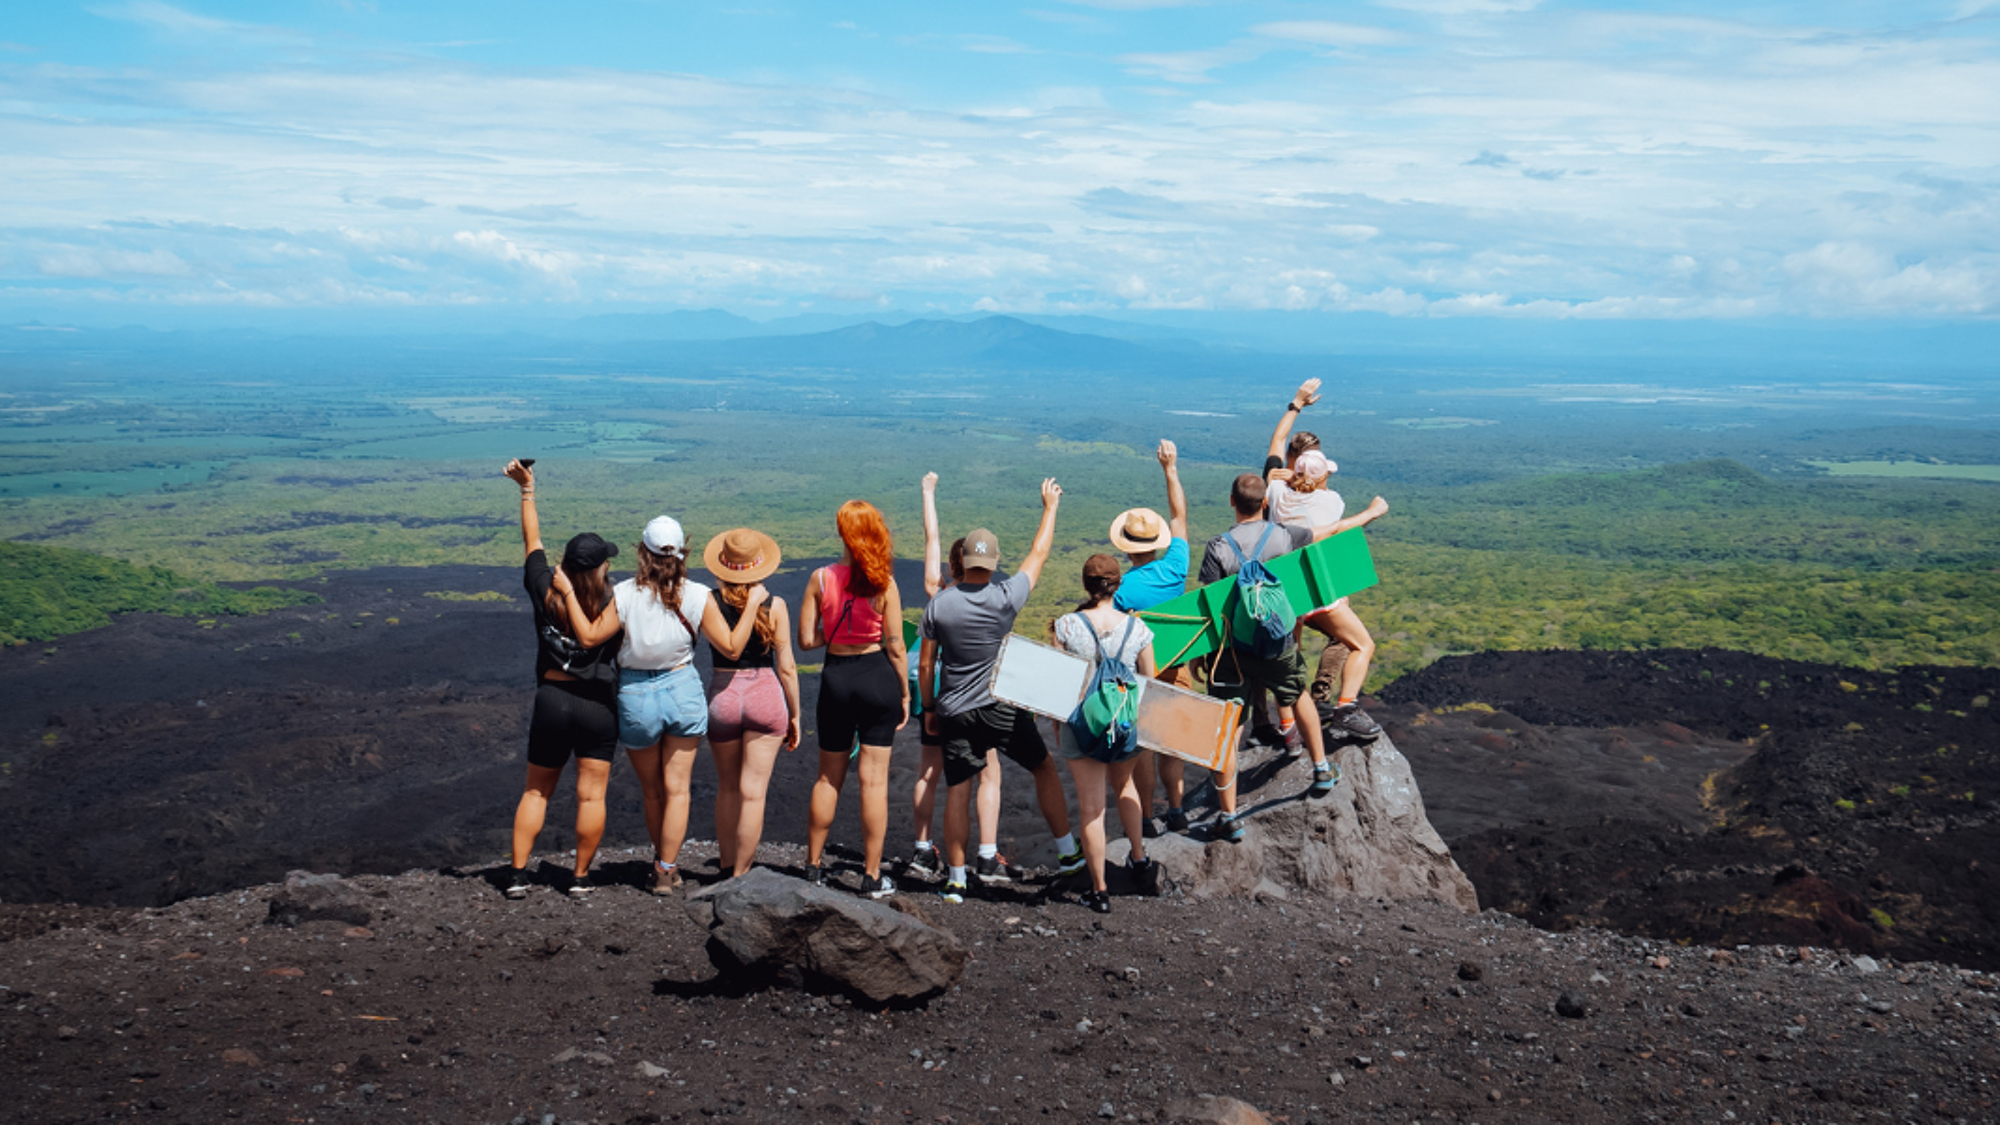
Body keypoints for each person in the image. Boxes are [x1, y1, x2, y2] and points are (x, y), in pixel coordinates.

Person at [919, 479, 1083, 905]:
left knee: (959, 787)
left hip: (954, 707)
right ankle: (1069, 854)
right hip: (1000, 705)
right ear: (992, 562)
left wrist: (929, 709)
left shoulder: (940, 604)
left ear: (963, 560)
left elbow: (925, 664)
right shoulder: (1007, 597)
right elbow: (1039, 553)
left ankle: (956, 879)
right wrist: (1050, 507)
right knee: (1043, 768)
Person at [614, 515, 763, 895]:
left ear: (641, 552)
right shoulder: (696, 594)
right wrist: (753, 604)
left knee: (652, 791)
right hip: (682, 688)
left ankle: (664, 863)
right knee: (679, 789)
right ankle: (666, 868)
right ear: (684, 552)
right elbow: (730, 646)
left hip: (635, 694)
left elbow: (594, 636)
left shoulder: (623, 593)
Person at [1196, 472, 1341, 842]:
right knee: (1297, 694)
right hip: (1277, 643)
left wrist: (1202, 656)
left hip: (1233, 651)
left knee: (1228, 727)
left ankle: (1229, 816)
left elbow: (1210, 608)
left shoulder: (1218, 548)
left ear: (1231, 501)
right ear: (1263, 503)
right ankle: (1321, 769)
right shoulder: (1286, 535)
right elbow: (1316, 535)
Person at [501, 459, 621, 900]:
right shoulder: (614, 599)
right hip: (597, 705)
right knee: (591, 797)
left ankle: (516, 876)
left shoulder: (544, 588)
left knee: (536, 791)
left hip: (552, 699)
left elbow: (532, 541)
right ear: (599, 569)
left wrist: (527, 490)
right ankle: (581, 879)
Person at [1263, 378, 1392, 739]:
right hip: (1316, 591)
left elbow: (1275, 445)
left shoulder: (1273, 489)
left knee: (1290, 664)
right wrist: (1370, 513)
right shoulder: (1330, 501)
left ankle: (1287, 726)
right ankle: (1345, 706)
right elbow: (1334, 529)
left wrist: (1296, 403)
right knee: (1362, 644)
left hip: (1280, 594)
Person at [797, 500, 910, 899]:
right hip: (876, 677)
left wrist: (837, 629)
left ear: (842, 534)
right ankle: (871, 874)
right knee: (874, 783)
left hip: (836, 679)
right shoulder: (886, 582)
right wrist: (905, 690)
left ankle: (812, 867)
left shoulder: (820, 578)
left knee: (828, 777)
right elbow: (895, 645)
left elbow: (807, 641)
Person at [906, 472, 1012, 885]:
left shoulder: (939, 596)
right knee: (988, 773)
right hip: (976, 696)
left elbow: (931, 538)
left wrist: (928, 492)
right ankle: (986, 856)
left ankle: (920, 850)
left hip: (935, 692)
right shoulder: (991, 602)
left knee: (928, 770)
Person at [1050, 555, 1165, 913]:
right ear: (1118, 585)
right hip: (1124, 724)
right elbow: (1151, 681)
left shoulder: (1067, 626)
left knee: (1091, 807)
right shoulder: (1138, 629)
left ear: (1086, 585)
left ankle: (1099, 890)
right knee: (1125, 786)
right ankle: (1139, 857)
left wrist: (1058, 727)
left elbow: (1058, 684)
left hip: (1081, 726)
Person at [701, 527, 803, 879]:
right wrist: (796, 715)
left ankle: (726, 864)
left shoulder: (708, 602)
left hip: (723, 696)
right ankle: (741, 875)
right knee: (753, 794)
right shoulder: (775, 606)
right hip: (765, 695)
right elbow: (787, 668)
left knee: (727, 788)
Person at [1108, 439, 1193, 833]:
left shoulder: (1121, 590)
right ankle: (1176, 809)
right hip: (1177, 666)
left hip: (1139, 677)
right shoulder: (1176, 566)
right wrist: (1170, 468)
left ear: (1126, 548)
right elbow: (1179, 514)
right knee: (1171, 742)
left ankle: (1145, 817)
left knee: (1141, 743)